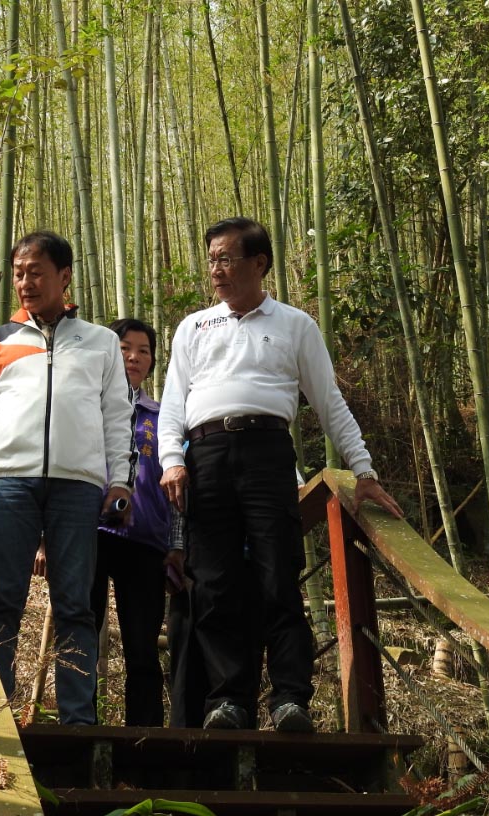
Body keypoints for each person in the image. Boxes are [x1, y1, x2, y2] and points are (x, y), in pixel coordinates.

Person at [158, 217, 403, 733]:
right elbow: (173, 405)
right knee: (215, 583)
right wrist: (171, 461)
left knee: (277, 576)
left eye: (226, 259)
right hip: (205, 457)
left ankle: (291, 699)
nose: (216, 271)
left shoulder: (295, 324)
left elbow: (328, 401)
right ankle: (229, 701)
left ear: (259, 263)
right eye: (212, 260)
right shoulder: (194, 327)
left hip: (269, 453)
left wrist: (364, 469)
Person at [0, 230, 135, 725]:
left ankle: (78, 717)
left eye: (35, 272)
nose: (25, 282)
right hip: (7, 480)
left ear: (64, 275)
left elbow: (116, 416)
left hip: (77, 485)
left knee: (75, 604)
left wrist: (119, 480)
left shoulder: (100, 342)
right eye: (18, 273)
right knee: (2, 599)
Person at [36, 318, 182, 726]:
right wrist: (46, 538)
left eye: (144, 351)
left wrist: (176, 544)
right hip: (87, 534)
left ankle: (146, 736)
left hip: (145, 542)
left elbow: (172, 486)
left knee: (142, 645)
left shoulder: (164, 416)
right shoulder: (82, 405)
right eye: (124, 348)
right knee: (81, 631)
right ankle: (79, 725)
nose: (134, 357)